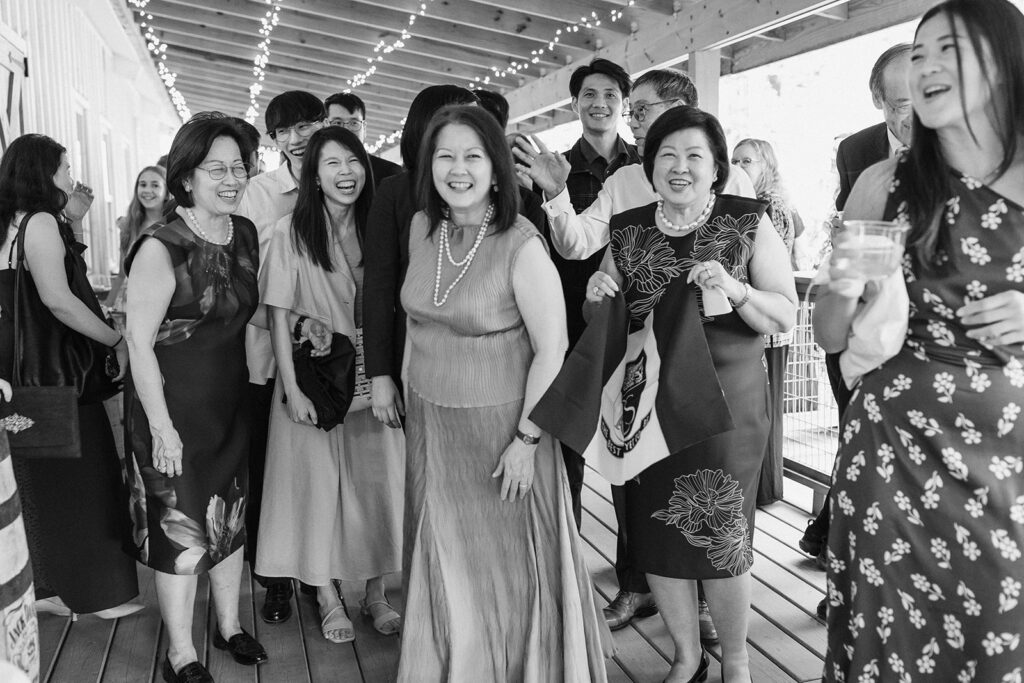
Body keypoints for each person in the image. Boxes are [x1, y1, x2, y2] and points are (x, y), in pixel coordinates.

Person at [813, 1, 1024, 679]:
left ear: (1002, 61)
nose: (925, 66)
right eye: (919, 51)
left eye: (948, 49)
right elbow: (829, 331)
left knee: (998, 637)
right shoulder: (886, 185)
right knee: (889, 645)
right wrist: (849, 269)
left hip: (1009, 460)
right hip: (891, 450)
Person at [514, 67, 755, 640]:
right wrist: (556, 194)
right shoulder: (625, 180)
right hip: (637, 358)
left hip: (716, 360)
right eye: (636, 112)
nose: (633, 119)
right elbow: (579, 244)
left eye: (640, 108)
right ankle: (639, 585)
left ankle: (710, 610)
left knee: (712, 493)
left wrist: (733, 293)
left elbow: (748, 256)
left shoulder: (733, 180)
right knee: (639, 481)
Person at [582, 106, 796, 683]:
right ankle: (686, 655)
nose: (679, 167)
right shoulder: (628, 229)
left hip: (726, 404)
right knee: (654, 530)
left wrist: (735, 288)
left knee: (722, 531)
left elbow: (784, 313)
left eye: (694, 156)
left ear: (717, 167)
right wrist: (598, 294)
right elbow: (602, 316)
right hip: (646, 405)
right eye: (667, 156)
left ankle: (737, 660)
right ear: (650, 167)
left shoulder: (746, 222)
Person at [396, 105, 608, 682]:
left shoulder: (521, 242)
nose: (457, 169)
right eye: (445, 156)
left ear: (496, 167)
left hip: (505, 432)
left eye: (472, 156)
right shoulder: (423, 228)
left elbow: (552, 348)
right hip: (433, 424)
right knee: (444, 553)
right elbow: (417, 320)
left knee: (511, 565)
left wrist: (526, 440)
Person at [124, 116, 266, 683]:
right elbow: (138, 342)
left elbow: (240, 314)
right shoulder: (161, 246)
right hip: (171, 409)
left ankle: (228, 625)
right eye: (216, 169)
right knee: (179, 527)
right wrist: (162, 428)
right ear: (186, 178)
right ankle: (180, 651)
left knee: (229, 518)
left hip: (228, 403)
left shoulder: (244, 233)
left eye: (239, 167)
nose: (231, 179)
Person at [255, 126, 404, 644]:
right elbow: (276, 316)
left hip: (375, 374)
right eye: (332, 163)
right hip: (316, 378)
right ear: (313, 177)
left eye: (354, 161)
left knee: (377, 485)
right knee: (316, 491)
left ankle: (375, 592)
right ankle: (325, 594)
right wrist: (293, 392)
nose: (346, 173)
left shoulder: (380, 226)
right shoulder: (288, 232)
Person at [0, 134, 140, 621]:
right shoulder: (39, 222)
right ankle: (94, 594)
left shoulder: (12, 222)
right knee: (84, 473)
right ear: (43, 174)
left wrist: (73, 219)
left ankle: (48, 586)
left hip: (20, 370)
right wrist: (116, 340)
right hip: (57, 369)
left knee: (38, 478)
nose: (70, 176)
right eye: (64, 168)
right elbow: (59, 300)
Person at [363, 85, 548, 432]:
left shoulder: (520, 204)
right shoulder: (398, 195)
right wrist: (380, 374)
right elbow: (378, 287)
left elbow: (547, 331)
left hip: (500, 381)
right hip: (419, 371)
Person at [799, 42, 914, 570]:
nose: (918, 116)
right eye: (903, 103)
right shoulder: (873, 181)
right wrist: (850, 275)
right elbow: (830, 329)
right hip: (875, 377)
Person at [236, 90, 326, 625]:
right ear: (273, 140)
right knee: (267, 471)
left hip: (327, 353)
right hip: (266, 354)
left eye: (306, 125)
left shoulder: (340, 181)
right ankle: (273, 579)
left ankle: (320, 575)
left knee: (318, 469)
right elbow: (242, 275)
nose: (296, 138)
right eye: (284, 130)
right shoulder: (257, 193)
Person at [542, 58, 640, 538]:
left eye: (610, 96)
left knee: (634, 444)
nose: (600, 104)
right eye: (589, 95)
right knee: (569, 444)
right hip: (570, 321)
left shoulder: (646, 166)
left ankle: (634, 569)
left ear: (625, 105)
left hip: (634, 323)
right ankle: (568, 557)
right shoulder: (554, 169)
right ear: (574, 104)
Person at [731, 138, 795, 506]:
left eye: (747, 161)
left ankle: (765, 488)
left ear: (766, 166)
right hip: (748, 315)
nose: (738, 167)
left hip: (767, 324)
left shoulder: (771, 209)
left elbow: (773, 267)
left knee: (765, 411)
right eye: (734, 160)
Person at [107, 165, 168, 315]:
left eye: (155, 185)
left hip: (165, 309)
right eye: (143, 184)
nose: (147, 190)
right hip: (130, 309)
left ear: (167, 192)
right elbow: (122, 275)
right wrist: (106, 306)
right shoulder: (128, 227)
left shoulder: (175, 226)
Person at [325, 92, 402, 187]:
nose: (346, 130)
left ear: (364, 128)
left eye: (354, 123)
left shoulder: (389, 173)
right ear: (325, 126)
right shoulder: (313, 169)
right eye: (337, 123)